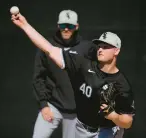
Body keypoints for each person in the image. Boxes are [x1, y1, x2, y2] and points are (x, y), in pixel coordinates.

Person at [11, 12, 135, 138]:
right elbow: (49, 49)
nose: (101, 49)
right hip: (82, 129)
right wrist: (25, 25)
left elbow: (128, 122)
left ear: (117, 51)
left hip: (105, 131)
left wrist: (113, 115)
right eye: (99, 45)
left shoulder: (121, 84)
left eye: (106, 46)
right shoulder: (83, 64)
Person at [30, 10, 95, 138]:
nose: (66, 29)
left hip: (76, 112)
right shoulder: (47, 47)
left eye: (70, 26)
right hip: (52, 106)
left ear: (76, 27)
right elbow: (38, 77)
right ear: (58, 25)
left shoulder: (86, 48)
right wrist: (43, 105)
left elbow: (94, 77)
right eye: (63, 25)